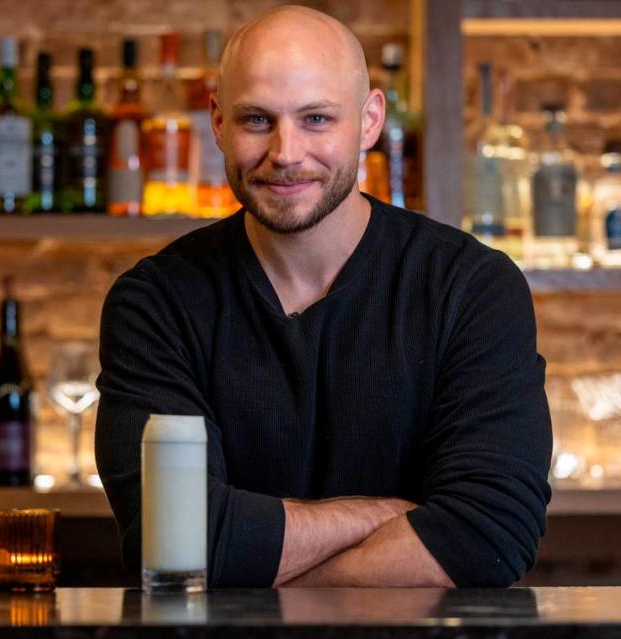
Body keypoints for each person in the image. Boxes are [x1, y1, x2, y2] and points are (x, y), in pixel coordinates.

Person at [95, 5, 552, 588]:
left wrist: (253, 570)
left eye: (316, 119)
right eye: (257, 119)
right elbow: (175, 544)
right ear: (216, 122)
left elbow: (490, 536)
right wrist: (388, 516)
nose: (286, 153)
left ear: (369, 121)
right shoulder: (156, 303)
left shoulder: (470, 288)